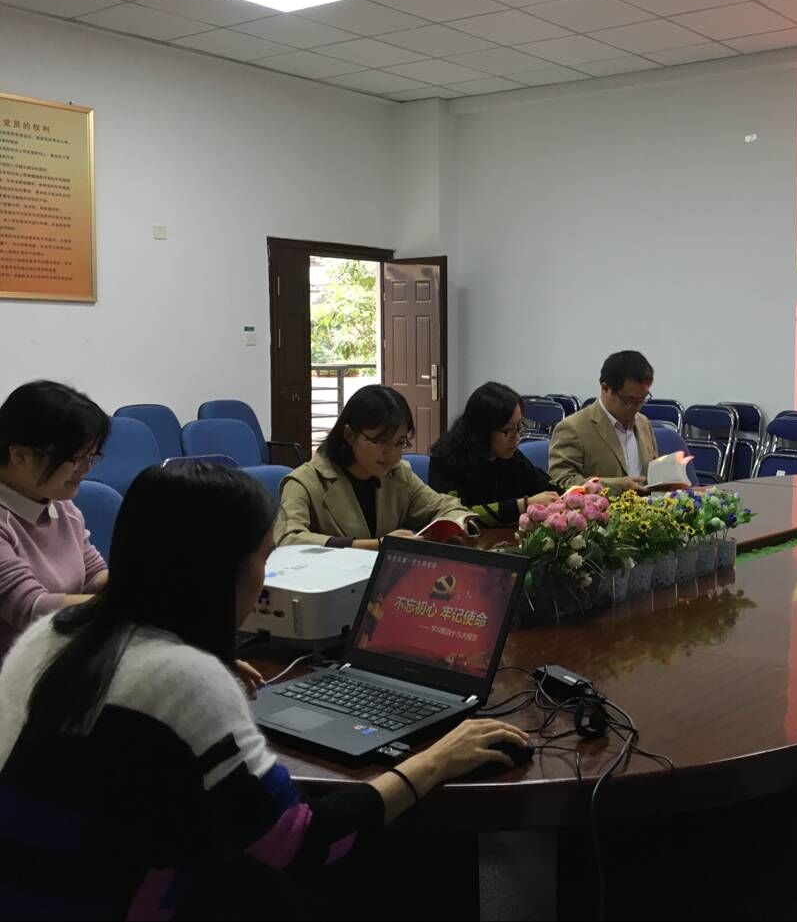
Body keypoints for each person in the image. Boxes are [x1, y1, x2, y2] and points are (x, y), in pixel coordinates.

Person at [0, 463, 529, 917]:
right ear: (219, 573)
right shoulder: (184, 679)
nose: (264, 578)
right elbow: (300, 842)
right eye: (264, 557)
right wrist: (437, 760)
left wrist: (193, 663)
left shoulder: (51, 634)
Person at [274, 385, 476, 549]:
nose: (392, 453)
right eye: (381, 441)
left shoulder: (398, 474)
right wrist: (376, 545)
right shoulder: (305, 481)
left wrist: (456, 528)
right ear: (349, 435)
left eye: (400, 442)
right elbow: (287, 539)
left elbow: (447, 506)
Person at [0, 380, 111, 657]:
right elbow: (31, 609)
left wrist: (139, 584)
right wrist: (124, 605)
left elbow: (93, 574)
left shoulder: (60, 504)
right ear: (20, 455)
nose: (85, 469)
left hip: (61, 654)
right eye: (75, 458)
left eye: (91, 457)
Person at [428, 382, 559, 526]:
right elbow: (457, 517)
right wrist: (523, 505)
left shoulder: (510, 456)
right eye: (508, 430)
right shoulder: (446, 459)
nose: (517, 437)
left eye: (519, 426)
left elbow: (545, 486)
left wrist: (572, 493)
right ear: (483, 431)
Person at [548, 351, 659, 492]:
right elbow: (561, 482)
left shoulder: (643, 423)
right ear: (605, 388)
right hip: (603, 506)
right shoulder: (572, 428)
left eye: (642, 399)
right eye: (629, 401)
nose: (637, 408)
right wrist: (617, 486)